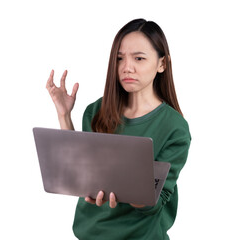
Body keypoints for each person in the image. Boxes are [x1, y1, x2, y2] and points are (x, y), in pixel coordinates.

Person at [46, 18, 191, 240]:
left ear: (162, 64)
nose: (126, 67)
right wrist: (64, 114)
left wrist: (125, 189)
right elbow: (77, 172)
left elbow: (156, 203)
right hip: (89, 234)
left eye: (139, 58)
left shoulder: (174, 128)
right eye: (120, 58)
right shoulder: (96, 111)